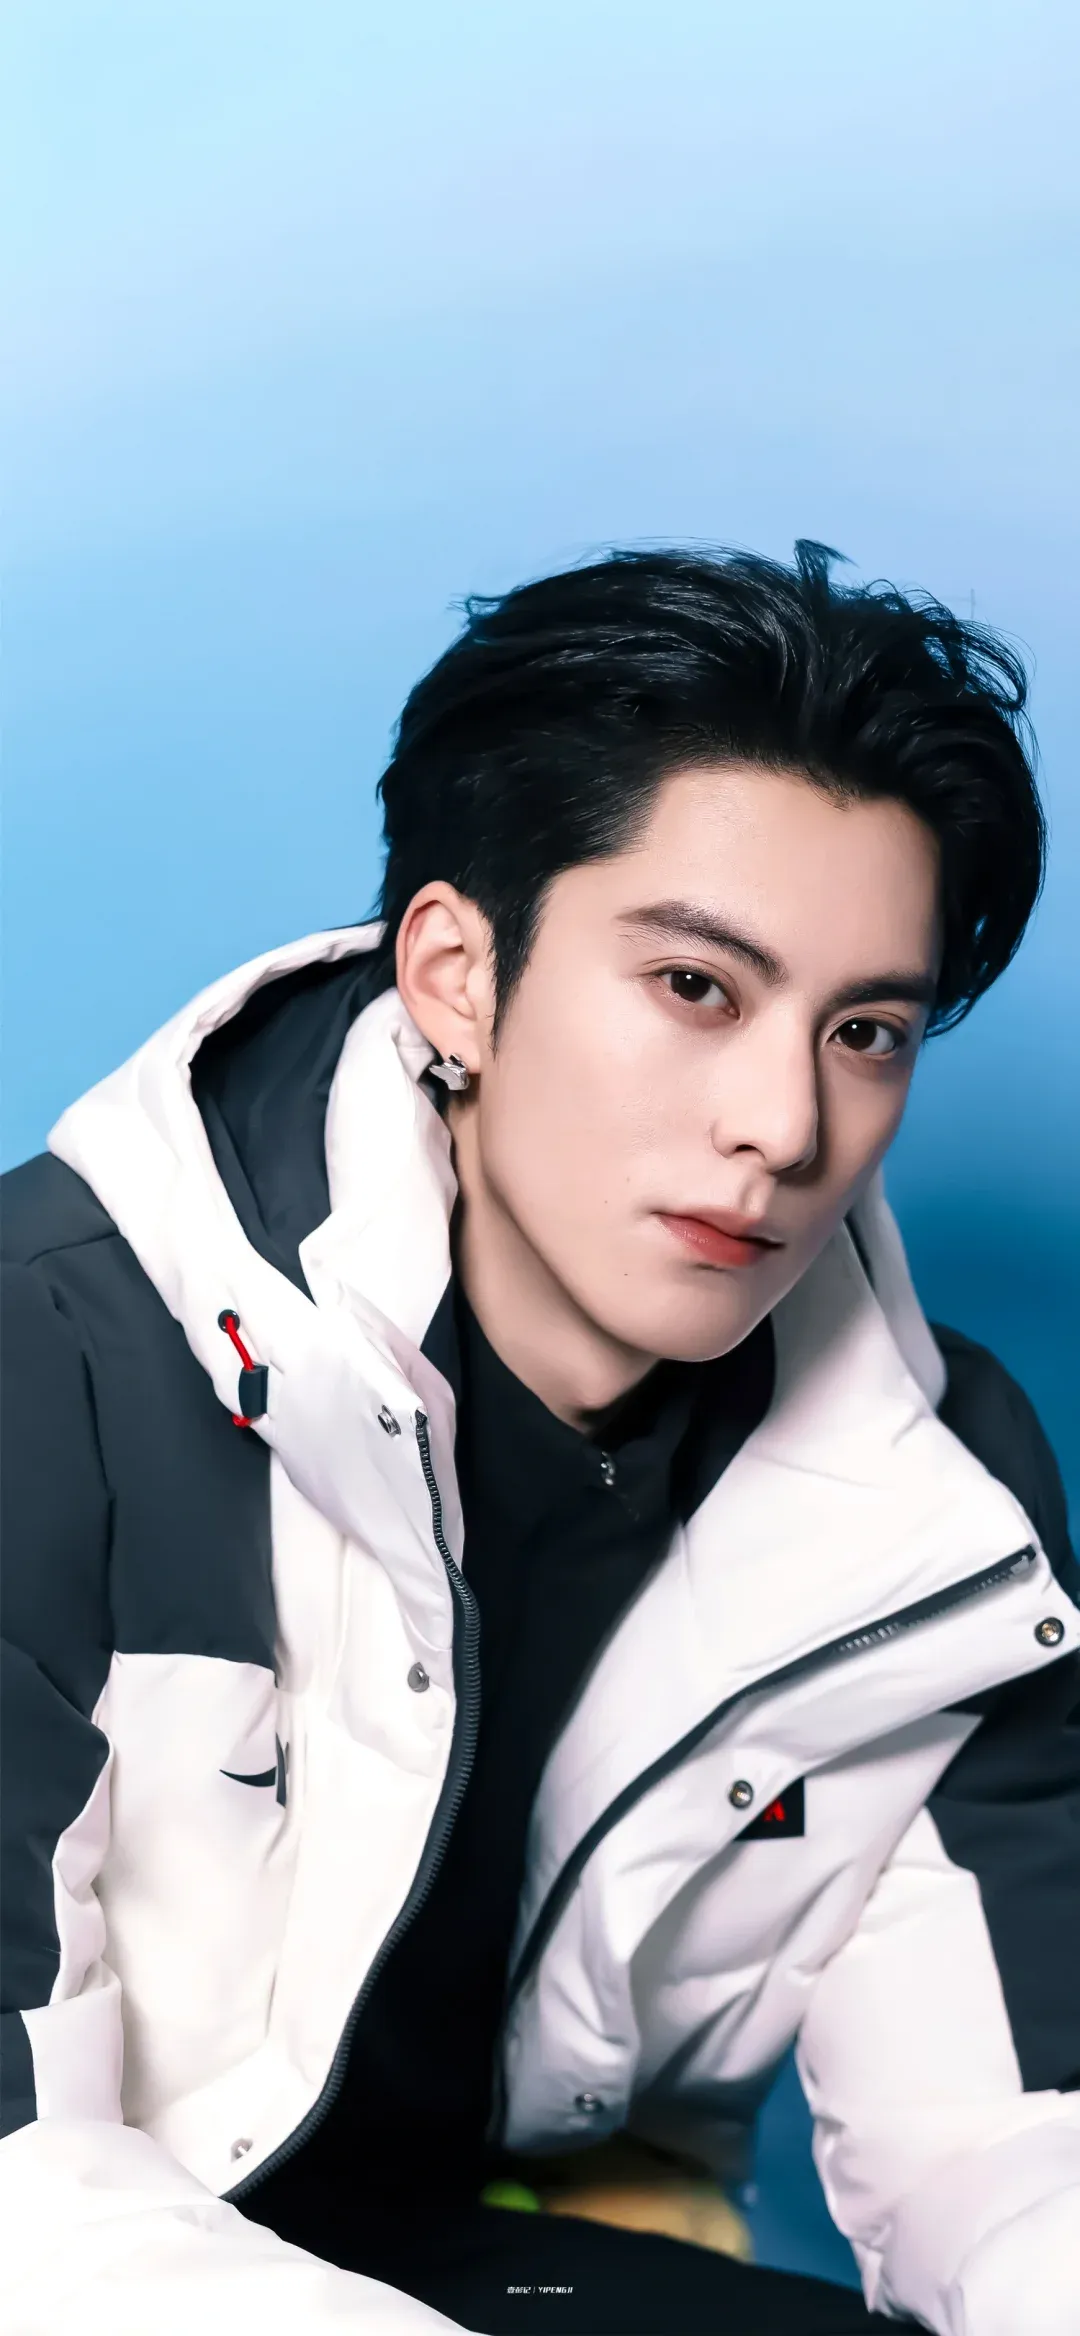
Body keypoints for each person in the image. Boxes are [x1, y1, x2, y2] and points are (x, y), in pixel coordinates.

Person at [1, 540, 1078, 2336]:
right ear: (455, 974)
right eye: (697, 988)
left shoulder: (932, 1480)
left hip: (476, 2249)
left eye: (866, 1030)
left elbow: (1010, 2138)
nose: (785, 1125)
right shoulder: (47, 1360)